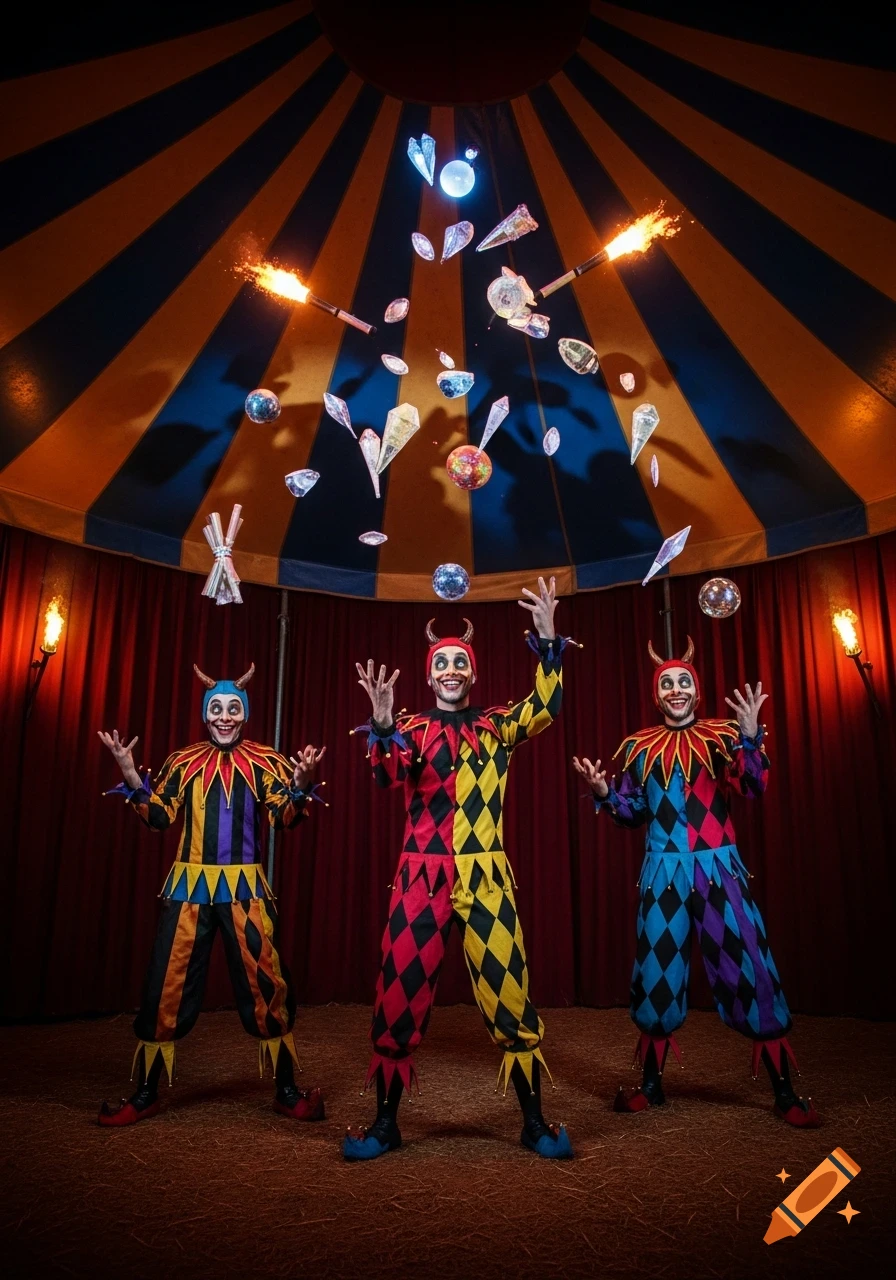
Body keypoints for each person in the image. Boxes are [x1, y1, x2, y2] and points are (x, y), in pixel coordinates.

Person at [343, 577, 573, 1160]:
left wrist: (547, 643)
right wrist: (384, 725)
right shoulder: (412, 730)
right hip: (420, 878)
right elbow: (388, 776)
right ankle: (386, 1126)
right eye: (440, 662)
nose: (449, 670)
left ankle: (534, 1122)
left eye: (459, 662)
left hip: (486, 876)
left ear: (472, 673)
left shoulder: (496, 725)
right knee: (398, 996)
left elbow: (544, 708)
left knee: (511, 995)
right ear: (429, 674)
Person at [573, 639, 819, 1127]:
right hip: (663, 875)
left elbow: (752, 786)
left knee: (751, 967)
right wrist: (603, 792)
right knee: (656, 974)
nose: (676, 689)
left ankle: (785, 1094)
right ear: (656, 695)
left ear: (697, 691)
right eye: (667, 683)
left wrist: (750, 738)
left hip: (718, 872)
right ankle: (651, 1087)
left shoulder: (722, 738)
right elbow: (633, 812)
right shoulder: (641, 749)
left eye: (683, 681)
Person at [96, 662, 326, 1126]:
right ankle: (145, 1093)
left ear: (245, 714)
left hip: (245, 890)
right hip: (188, 889)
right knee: (165, 985)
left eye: (233, 708)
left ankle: (286, 1089)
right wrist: (131, 775)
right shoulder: (182, 762)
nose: (224, 716)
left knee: (268, 983)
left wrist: (300, 785)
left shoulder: (265, 761)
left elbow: (284, 817)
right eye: (216, 708)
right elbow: (159, 817)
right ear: (206, 715)